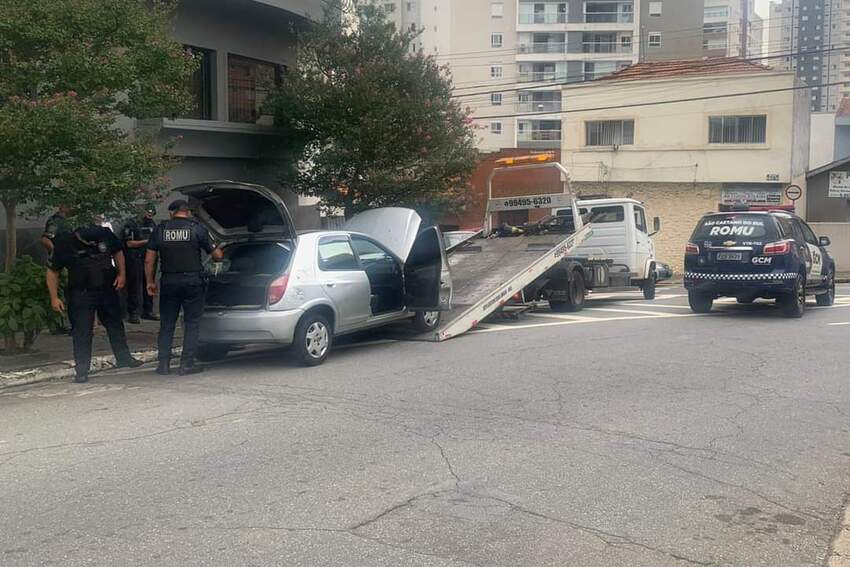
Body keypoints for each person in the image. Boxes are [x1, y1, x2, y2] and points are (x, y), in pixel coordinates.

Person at [46, 223, 143, 383]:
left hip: (107, 289)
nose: (95, 246)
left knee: (115, 325)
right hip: (81, 292)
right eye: (91, 243)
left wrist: (122, 274)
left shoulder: (104, 233)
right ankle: (82, 370)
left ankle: (124, 358)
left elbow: (118, 251)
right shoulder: (65, 241)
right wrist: (54, 297)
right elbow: (52, 270)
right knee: (82, 332)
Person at [146, 199, 223, 376]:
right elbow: (218, 256)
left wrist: (150, 281)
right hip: (192, 282)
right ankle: (186, 364)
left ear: (172, 212)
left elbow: (149, 259)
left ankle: (163, 364)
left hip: (169, 281)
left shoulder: (161, 229)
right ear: (187, 212)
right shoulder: (197, 228)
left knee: (166, 324)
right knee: (192, 324)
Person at [123, 205, 159, 323]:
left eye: (152, 214)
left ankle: (148, 311)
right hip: (135, 258)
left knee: (149, 283)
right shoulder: (132, 224)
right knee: (134, 286)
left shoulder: (152, 224)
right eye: (148, 213)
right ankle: (133, 313)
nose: (150, 216)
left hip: (149, 258)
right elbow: (129, 243)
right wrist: (146, 242)